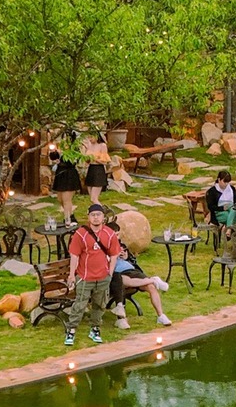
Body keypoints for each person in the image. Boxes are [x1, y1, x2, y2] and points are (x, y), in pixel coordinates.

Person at [63, 203, 122, 348]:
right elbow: (74, 255)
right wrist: (72, 275)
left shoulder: (109, 234)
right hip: (85, 277)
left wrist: (110, 272)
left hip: (102, 277)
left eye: (98, 215)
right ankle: (71, 330)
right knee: (79, 304)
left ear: (103, 217)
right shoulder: (80, 234)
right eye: (93, 215)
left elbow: (114, 254)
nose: (96, 218)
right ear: (88, 217)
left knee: (100, 304)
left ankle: (95, 329)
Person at [109, 248, 173, 329]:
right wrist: (114, 255)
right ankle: (153, 280)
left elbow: (130, 256)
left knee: (151, 287)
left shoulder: (118, 245)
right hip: (118, 274)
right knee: (128, 282)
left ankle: (161, 316)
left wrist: (125, 255)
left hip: (132, 269)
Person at [48, 146, 82, 220]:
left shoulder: (75, 148)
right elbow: (53, 158)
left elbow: (72, 163)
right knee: (60, 199)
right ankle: (71, 215)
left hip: (69, 175)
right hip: (60, 175)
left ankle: (67, 219)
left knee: (66, 200)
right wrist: (53, 152)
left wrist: (60, 162)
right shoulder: (60, 146)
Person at [81, 134, 111, 204]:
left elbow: (105, 161)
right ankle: (95, 209)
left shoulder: (102, 145)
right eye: (88, 137)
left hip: (98, 170)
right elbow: (88, 161)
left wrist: (94, 159)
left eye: (91, 137)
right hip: (91, 169)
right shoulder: (89, 145)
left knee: (93, 198)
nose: (90, 139)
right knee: (91, 198)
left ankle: (102, 209)